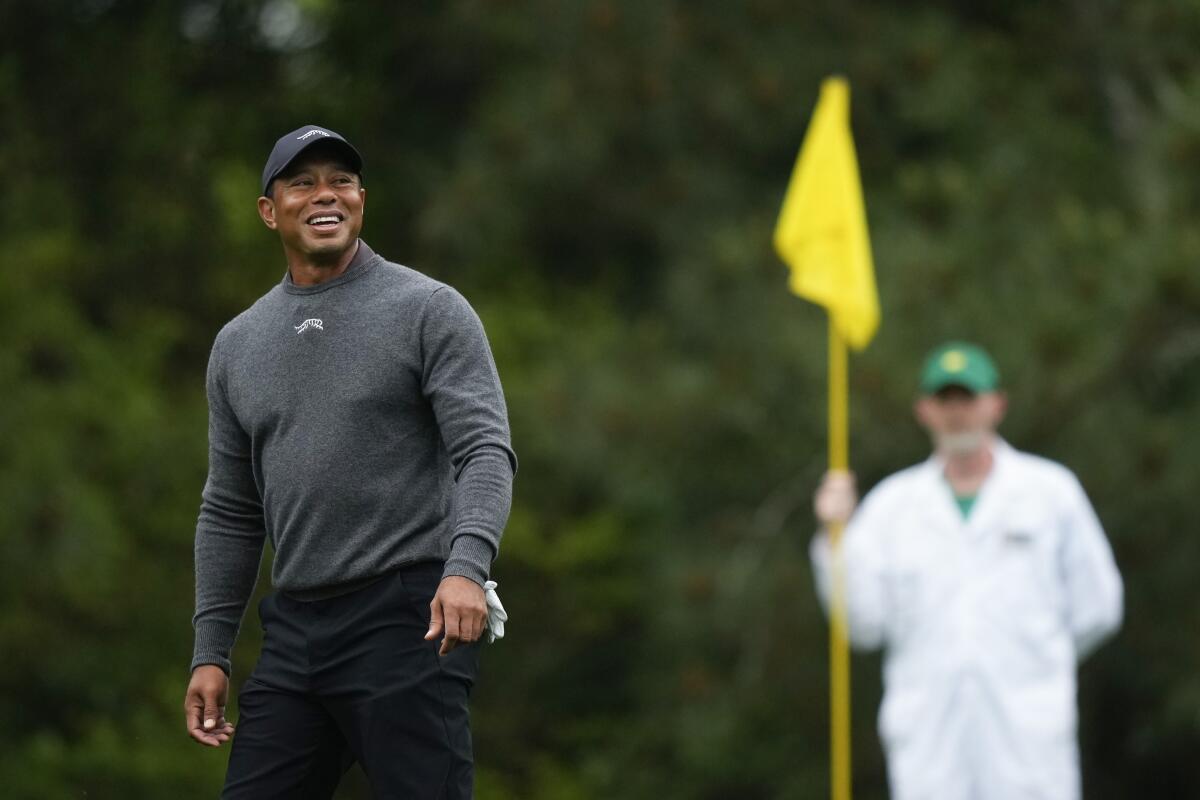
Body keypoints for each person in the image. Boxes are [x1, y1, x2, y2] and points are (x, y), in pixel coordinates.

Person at [182, 124, 517, 799]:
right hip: (297, 628)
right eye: (302, 183)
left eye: (340, 180)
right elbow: (231, 509)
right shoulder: (238, 344)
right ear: (270, 211)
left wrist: (466, 569)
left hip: (410, 615)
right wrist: (210, 651)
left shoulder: (427, 309)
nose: (324, 195)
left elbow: (485, 449)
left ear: (362, 199)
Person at [810, 341, 1122, 800]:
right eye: (945, 401)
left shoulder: (1052, 493)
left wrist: (1036, 664)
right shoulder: (892, 507)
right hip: (930, 743)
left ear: (996, 404)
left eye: (968, 399)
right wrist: (833, 540)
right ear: (924, 411)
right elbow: (863, 626)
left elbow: (1098, 607)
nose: (958, 413)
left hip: (1028, 741)